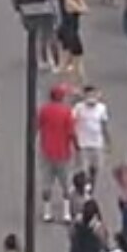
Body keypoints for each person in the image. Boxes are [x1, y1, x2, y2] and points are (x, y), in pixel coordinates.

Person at [38, 85, 77, 223]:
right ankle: (66, 213)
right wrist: (76, 147)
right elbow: (71, 132)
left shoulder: (44, 110)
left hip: (46, 151)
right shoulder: (67, 112)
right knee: (65, 183)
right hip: (63, 152)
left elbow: (38, 125)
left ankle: (47, 212)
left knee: (47, 182)